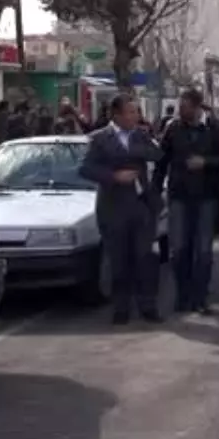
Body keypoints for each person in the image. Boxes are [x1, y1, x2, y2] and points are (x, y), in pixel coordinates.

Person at [79, 93, 165, 324]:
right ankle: (121, 308)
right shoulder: (99, 139)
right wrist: (114, 176)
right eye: (130, 112)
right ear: (116, 115)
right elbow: (86, 169)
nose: (135, 116)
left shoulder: (141, 135)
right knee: (119, 261)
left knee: (144, 258)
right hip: (113, 207)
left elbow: (157, 155)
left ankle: (148, 305)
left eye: (137, 111)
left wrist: (138, 149)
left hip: (141, 205)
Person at [152, 89, 219, 316]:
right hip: (179, 197)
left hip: (206, 198)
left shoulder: (217, 129)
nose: (180, 110)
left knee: (204, 252)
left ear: (197, 107)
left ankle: (200, 297)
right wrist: (156, 192)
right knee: (179, 250)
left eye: (185, 106)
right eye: (180, 106)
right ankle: (183, 296)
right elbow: (161, 162)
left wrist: (205, 162)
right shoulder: (173, 129)